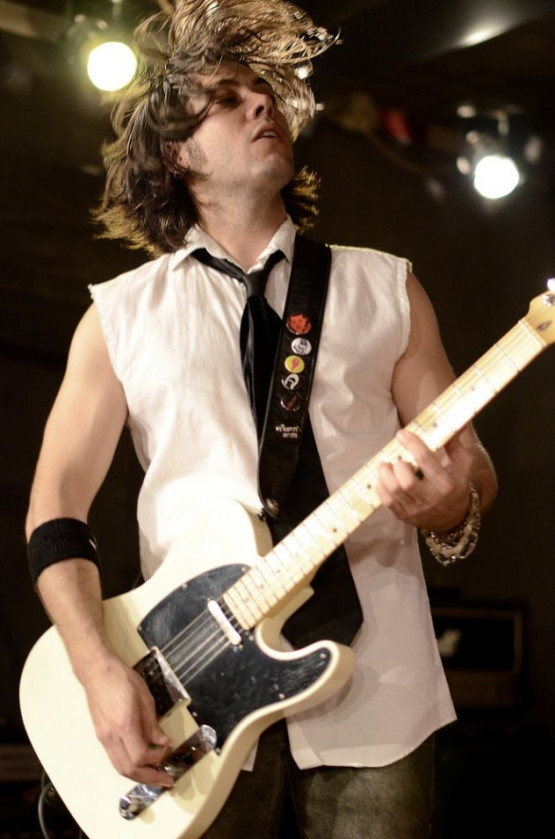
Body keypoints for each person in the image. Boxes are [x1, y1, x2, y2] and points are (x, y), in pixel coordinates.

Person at [25, 1, 497, 837]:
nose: (260, 105)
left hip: (379, 688)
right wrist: (97, 670)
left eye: (265, 93)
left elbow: (471, 466)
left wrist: (448, 504)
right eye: (226, 98)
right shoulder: (119, 317)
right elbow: (54, 510)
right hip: (190, 697)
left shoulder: (385, 287)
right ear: (177, 152)